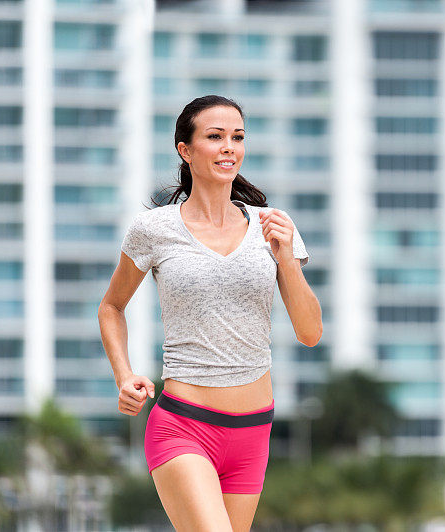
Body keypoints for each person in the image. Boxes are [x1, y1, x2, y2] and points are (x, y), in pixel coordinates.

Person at [97, 95, 322, 531]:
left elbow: (310, 332)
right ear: (185, 150)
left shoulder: (272, 225)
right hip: (184, 424)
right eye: (214, 137)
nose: (229, 148)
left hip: (254, 431)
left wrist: (288, 258)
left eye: (237, 137)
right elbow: (111, 306)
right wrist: (124, 375)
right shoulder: (155, 229)